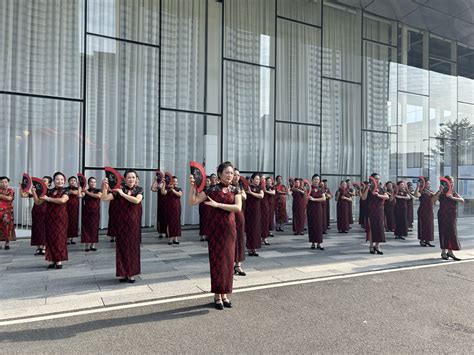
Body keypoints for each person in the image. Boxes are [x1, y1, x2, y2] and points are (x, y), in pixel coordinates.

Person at [188, 161, 242, 310]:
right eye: (227, 173)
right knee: (217, 262)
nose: (230, 176)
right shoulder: (211, 189)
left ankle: (225, 294)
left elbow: (237, 207)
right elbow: (193, 201)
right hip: (215, 231)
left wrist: (218, 205)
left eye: (232, 173)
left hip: (230, 230)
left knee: (228, 262)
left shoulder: (236, 189)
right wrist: (192, 186)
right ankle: (217, 295)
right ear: (219, 174)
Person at [101, 169, 143, 283]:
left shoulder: (139, 190)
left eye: (133, 177)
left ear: (136, 179)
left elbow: (136, 201)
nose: (131, 179)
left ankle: (132, 274)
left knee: (133, 248)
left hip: (134, 224)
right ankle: (124, 273)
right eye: (129, 177)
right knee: (122, 248)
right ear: (124, 179)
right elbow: (104, 198)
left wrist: (122, 194)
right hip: (122, 224)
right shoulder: (118, 190)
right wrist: (104, 187)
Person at [34, 172, 69, 269]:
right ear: (53, 181)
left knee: (59, 239)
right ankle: (52, 260)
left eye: (62, 179)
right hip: (49, 218)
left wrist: (48, 199)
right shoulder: (48, 191)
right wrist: (34, 193)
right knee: (50, 239)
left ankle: (59, 261)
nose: (60, 181)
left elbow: (62, 200)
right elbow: (38, 202)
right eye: (57, 179)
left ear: (64, 181)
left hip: (60, 219)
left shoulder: (66, 191)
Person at [20, 176, 52, 255]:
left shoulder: (50, 191)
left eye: (45, 181)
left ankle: (44, 247)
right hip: (36, 212)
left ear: (49, 184)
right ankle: (38, 247)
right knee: (37, 229)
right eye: (42, 180)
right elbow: (23, 195)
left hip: (46, 212)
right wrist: (22, 187)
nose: (42, 182)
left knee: (45, 229)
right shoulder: (37, 191)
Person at [360, 173, 389, 254]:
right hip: (371, 210)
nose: (378, 180)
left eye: (379, 178)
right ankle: (371, 246)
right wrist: (367, 188)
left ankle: (377, 246)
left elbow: (387, 197)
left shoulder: (380, 188)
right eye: (376, 178)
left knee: (379, 227)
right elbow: (363, 198)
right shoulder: (368, 188)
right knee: (371, 228)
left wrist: (378, 195)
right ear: (372, 179)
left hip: (380, 210)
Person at [438, 176, 464, 261]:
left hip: (452, 216)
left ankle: (450, 252)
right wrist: (439, 191)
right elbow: (432, 201)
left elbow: (462, 200)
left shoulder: (453, 192)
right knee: (443, 232)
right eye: (450, 182)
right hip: (443, 215)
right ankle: (443, 252)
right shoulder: (442, 192)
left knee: (452, 232)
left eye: (453, 182)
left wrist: (452, 197)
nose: (452, 183)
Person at [414, 178, 440, 247]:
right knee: (422, 225)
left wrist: (439, 192)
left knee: (429, 225)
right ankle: (422, 240)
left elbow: (433, 200)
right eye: (428, 184)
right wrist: (417, 186)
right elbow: (416, 195)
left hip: (429, 210)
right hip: (422, 210)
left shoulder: (430, 191)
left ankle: (428, 240)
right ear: (424, 184)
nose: (429, 185)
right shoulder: (421, 191)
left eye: (430, 184)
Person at [80, 177, 102, 252]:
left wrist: (87, 192)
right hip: (86, 211)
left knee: (94, 228)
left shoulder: (98, 190)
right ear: (88, 183)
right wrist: (80, 188)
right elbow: (80, 195)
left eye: (94, 182)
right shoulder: (85, 190)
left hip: (95, 212)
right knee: (86, 228)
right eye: (91, 182)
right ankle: (87, 245)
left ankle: (93, 244)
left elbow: (98, 196)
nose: (93, 183)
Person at [245, 173, 264, 256]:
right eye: (256, 179)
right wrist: (248, 192)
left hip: (257, 211)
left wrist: (251, 193)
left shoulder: (260, 188)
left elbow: (261, 196)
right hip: (249, 211)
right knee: (250, 230)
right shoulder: (247, 187)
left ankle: (255, 249)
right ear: (252, 179)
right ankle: (250, 248)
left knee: (256, 229)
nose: (258, 181)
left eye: (259, 179)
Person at [232, 169, 246, 276]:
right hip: (229, 215)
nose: (236, 177)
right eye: (234, 175)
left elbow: (245, 196)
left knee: (240, 239)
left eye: (238, 175)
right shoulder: (226, 187)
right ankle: (230, 263)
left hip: (239, 215)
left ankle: (238, 264)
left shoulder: (240, 187)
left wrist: (239, 192)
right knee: (231, 239)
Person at [161, 176, 183, 245]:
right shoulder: (168, 189)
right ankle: (170, 238)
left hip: (177, 208)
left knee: (176, 222)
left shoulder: (178, 189)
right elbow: (163, 192)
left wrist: (173, 190)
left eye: (176, 181)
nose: (175, 182)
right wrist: (164, 184)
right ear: (171, 182)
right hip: (169, 208)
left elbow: (179, 194)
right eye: (174, 181)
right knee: (170, 223)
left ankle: (175, 238)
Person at [307, 174, 326, 250]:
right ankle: (312, 243)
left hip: (318, 209)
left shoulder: (321, 189)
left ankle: (319, 243)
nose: (316, 181)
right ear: (312, 180)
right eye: (315, 179)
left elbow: (323, 198)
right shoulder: (309, 188)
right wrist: (308, 197)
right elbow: (306, 197)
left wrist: (314, 199)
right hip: (311, 209)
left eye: (318, 179)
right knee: (312, 225)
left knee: (319, 226)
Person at [0, 176, 16, 250]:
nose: (4, 183)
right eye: (2, 182)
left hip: (7, 213)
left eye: (5, 182)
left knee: (6, 227)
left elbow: (9, 198)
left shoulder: (11, 190)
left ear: (8, 182)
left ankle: (7, 243)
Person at [66, 176, 81, 245]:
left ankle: (73, 238)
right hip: (67, 207)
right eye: (71, 180)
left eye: (74, 180)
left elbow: (78, 194)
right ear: (68, 182)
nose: (73, 182)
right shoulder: (65, 189)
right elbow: (73, 192)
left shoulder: (78, 189)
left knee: (74, 222)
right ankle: (68, 238)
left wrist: (78, 188)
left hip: (75, 208)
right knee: (67, 222)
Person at [198, 176, 211, 241]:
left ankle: (207, 235)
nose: (207, 182)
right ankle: (202, 235)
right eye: (206, 181)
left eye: (208, 181)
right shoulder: (201, 189)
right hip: (203, 206)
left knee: (209, 221)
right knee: (202, 220)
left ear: (210, 182)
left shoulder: (212, 189)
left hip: (210, 206)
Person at [260, 175, 270, 246]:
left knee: (265, 222)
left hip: (265, 206)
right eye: (262, 179)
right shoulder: (257, 187)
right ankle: (259, 238)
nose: (263, 180)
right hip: (258, 206)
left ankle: (265, 238)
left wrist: (266, 190)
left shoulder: (269, 187)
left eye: (264, 179)